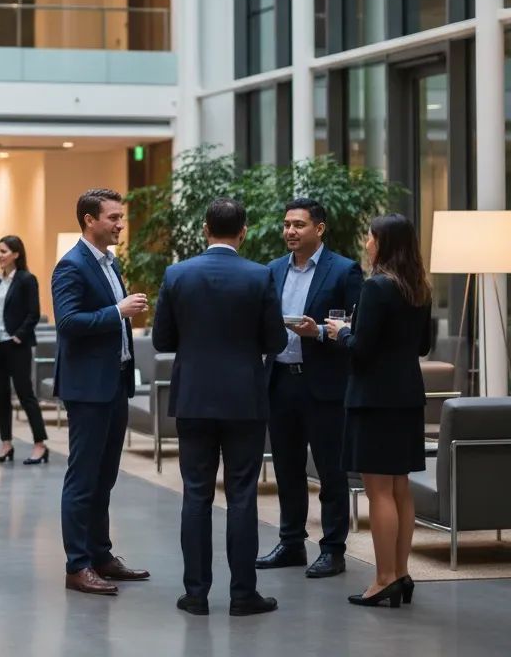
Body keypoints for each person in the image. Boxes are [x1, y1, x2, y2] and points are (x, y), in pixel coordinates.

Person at [152, 198, 287, 617]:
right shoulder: (260, 275)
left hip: (193, 398)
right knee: (242, 495)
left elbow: (161, 339)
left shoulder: (177, 274)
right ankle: (243, 594)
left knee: (196, 494)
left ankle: (196, 594)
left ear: (205, 228)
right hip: (245, 399)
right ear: (243, 231)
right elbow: (276, 341)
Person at [326, 213, 432, 609]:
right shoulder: (419, 288)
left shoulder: (376, 288)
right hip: (407, 396)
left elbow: (361, 349)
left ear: (384, 243)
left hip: (373, 398)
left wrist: (342, 332)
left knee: (378, 491)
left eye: (370, 237)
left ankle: (384, 577)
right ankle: (401, 573)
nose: (367, 243)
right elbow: (421, 347)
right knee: (400, 487)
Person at [257, 198, 364, 579]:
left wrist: (317, 331)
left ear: (319, 229)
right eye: (286, 224)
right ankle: (290, 542)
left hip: (324, 385)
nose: (290, 231)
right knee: (287, 468)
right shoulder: (271, 271)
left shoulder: (345, 271)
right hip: (281, 380)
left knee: (331, 471)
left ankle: (333, 549)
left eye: (298, 225)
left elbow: (357, 328)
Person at [52, 188, 150, 596]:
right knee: (83, 478)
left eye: (120, 217)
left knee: (105, 476)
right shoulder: (71, 266)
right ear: (89, 220)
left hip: (115, 383)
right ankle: (78, 566)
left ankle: (100, 555)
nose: (120, 225)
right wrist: (118, 312)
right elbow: (69, 322)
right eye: (112, 218)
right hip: (89, 389)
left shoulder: (109, 263)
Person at [0, 235, 48, 465]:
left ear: (16, 254)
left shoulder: (26, 279)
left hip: (16, 345)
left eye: (3, 251)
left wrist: (18, 337)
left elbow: (34, 313)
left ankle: (40, 444)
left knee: (25, 394)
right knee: (1, 396)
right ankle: (6, 443)